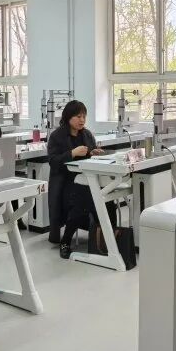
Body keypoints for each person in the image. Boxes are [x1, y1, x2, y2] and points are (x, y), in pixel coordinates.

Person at [45, 100, 104, 256]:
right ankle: (65, 241)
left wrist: (93, 153)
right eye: (78, 116)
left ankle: (103, 238)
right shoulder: (57, 136)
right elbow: (53, 161)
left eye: (84, 116)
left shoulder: (87, 134)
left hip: (87, 179)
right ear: (68, 117)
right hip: (65, 182)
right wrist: (72, 153)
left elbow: (89, 155)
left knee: (105, 198)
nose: (82, 120)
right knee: (80, 198)